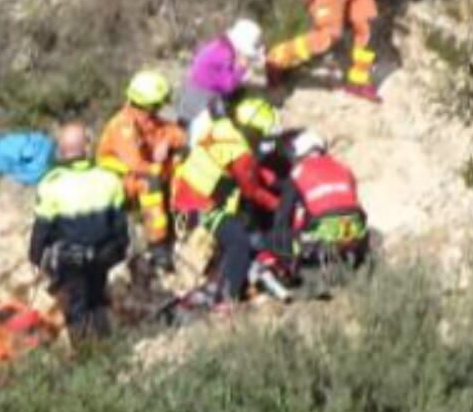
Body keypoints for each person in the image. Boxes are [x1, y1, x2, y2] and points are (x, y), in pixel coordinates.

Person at [170, 97, 283, 303]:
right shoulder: (241, 152)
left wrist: (274, 181)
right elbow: (251, 191)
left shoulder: (223, 127)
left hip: (182, 194)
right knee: (239, 241)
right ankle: (228, 298)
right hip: (202, 207)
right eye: (262, 134)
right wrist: (279, 205)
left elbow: (245, 170)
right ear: (253, 130)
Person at [30, 122, 129, 339]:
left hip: (70, 260)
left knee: (77, 307)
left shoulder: (51, 184)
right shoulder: (109, 178)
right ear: (86, 147)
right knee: (97, 299)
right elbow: (121, 227)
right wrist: (117, 252)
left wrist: (36, 259)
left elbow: (42, 230)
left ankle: (85, 356)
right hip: (103, 256)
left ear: (62, 151)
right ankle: (107, 349)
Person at [96, 70, 186, 271]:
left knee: (179, 163)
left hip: (138, 171)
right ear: (149, 104)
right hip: (116, 180)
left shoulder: (145, 119)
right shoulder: (123, 126)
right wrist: (161, 168)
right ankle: (158, 244)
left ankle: (180, 214)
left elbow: (175, 133)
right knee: (150, 183)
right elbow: (136, 165)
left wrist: (167, 143)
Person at [275, 132, 369, 269]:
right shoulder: (344, 168)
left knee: (283, 225)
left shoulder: (298, 172)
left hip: (321, 230)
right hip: (354, 228)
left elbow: (284, 213)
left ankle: (288, 270)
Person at [174, 19, 264, 131]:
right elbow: (228, 86)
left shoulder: (219, 47)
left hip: (192, 95)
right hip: (200, 101)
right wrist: (241, 68)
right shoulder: (223, 54)